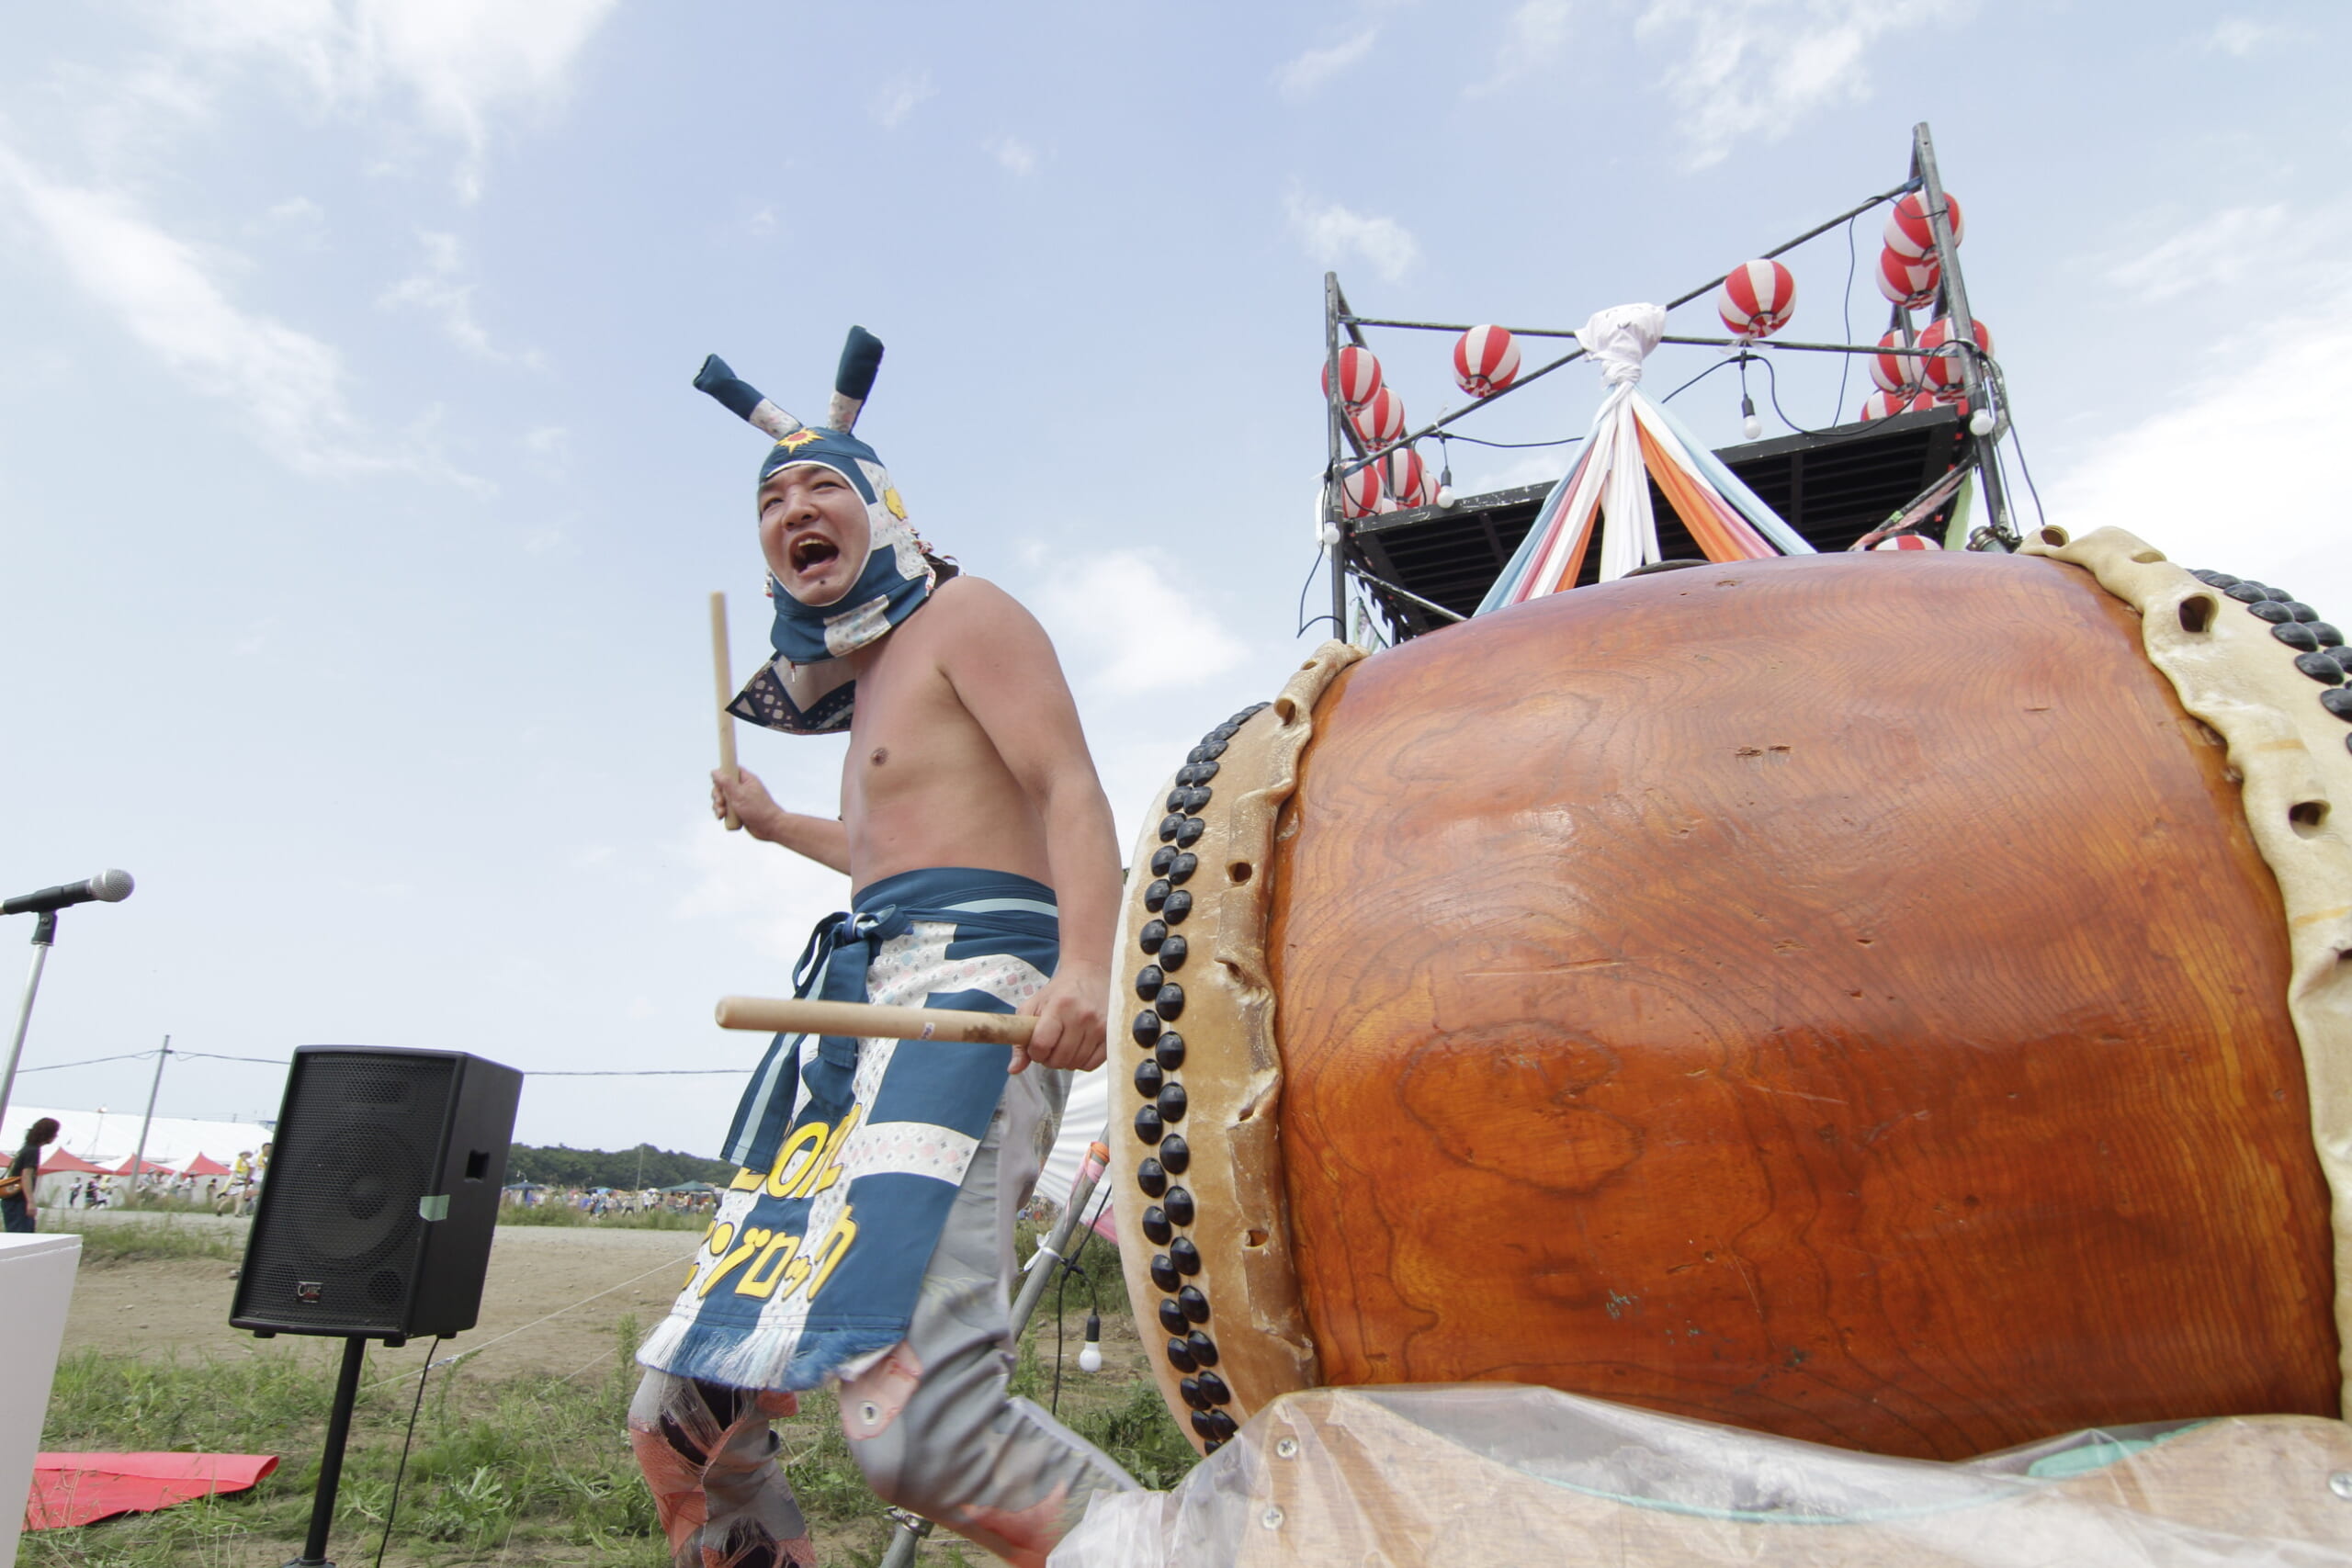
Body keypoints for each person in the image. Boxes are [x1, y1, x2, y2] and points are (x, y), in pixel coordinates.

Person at [628, 330, 1134, 1568]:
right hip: (866, 1002)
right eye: (770, 498)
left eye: (822, 486)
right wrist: (771, 819)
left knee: (921, 1428)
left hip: (979, 993)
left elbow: (1070, 786)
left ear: (883, 509)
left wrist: (1084, 967)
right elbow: (879, 859)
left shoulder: (966, 611)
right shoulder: (867, 696)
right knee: (682, 1413)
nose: (793, 507)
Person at [4, 1118, 61, 1233]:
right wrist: (30, 1201)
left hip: (10, 1198)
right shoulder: (33, 1151)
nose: (56, 1136)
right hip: (18, 1200)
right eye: (55, 1133)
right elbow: (26, 1176)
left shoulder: (26, 1148)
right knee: (21, 1236)